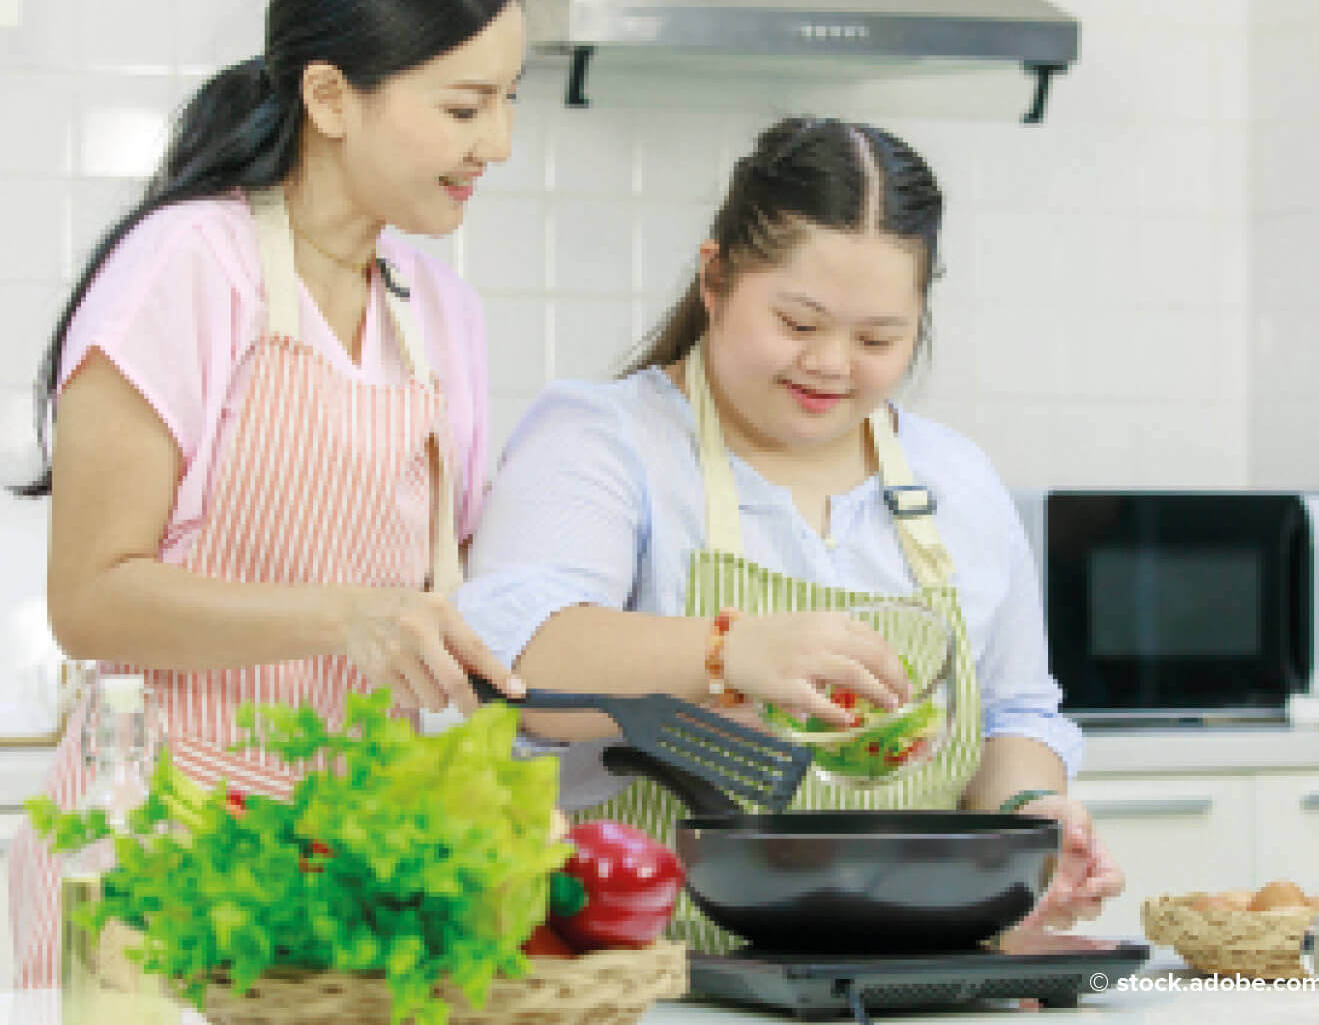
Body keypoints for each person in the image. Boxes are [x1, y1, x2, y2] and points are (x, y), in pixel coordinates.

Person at [7, 0, 527, 987]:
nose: (500, 144)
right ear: (331, 96)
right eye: (466, 105)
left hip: (352, 865)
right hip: (159, 852)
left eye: (510, 101)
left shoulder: (442, 313)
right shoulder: (187, 267)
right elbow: (91, 598)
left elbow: (448, 591)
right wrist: (348, 617)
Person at [457, 117, 1124, 950]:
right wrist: (730, 650)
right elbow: (515, 657)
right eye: (799, 324)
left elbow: (1012, 712)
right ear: (715, 278)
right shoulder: (604, 439)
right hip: (654, 971)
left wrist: (1030, 817)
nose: (833, 364)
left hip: (911, 961)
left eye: (879, 338)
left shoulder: (954, 478)